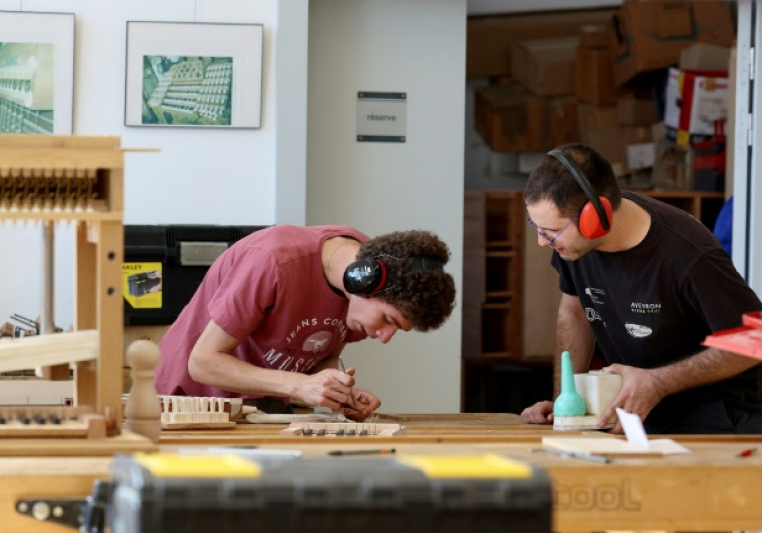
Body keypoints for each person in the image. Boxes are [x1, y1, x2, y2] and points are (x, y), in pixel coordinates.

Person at [520, 143, 762, 435]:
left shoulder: (688, 254)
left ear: (596, 217)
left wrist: (657, 382)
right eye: (537, 227)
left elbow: (754, 339)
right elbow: (575, 312)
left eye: (550, 231)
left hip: (716, 419)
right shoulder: (572, 245)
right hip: (645, 410)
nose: (542, 242)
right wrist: (566, 402)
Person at [155, 224, 456, 421]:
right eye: (388, 320)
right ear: (362, 278)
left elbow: (322, 352)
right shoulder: (272, 261)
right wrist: (299, 385)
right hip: (188, 404)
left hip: (261, 409)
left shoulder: (365, 281)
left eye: (397, 329)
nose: (385, 336)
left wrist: (334, 391)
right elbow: (203, 362)